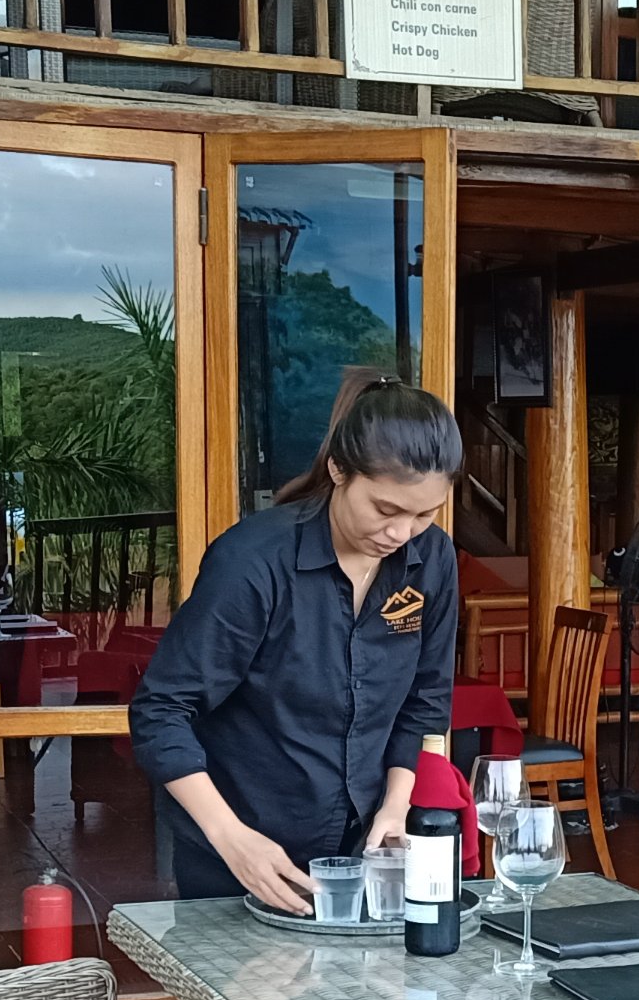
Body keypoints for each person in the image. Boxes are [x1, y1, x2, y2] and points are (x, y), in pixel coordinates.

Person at [130, 376, 463, 912]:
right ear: (338, 470)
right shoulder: (254, 562)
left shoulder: (433, 559)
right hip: (241, 844)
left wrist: (395, 807)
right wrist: (231, 838)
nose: (401, 534)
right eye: (385, 510)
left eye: (424, 515)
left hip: (363, 847)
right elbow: (161, 710)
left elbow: (425, 700)